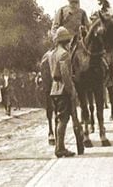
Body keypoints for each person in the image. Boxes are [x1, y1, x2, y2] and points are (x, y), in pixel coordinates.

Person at [48, 27, 79, 158]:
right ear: (66, 40)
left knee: (58, 118)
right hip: (62, 89)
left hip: (54, 88)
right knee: (63, 119)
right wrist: (71, 90)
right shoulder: (64, 54)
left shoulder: (52, 54)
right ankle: (60, 148)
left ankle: (59, 146)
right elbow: (65, 74)